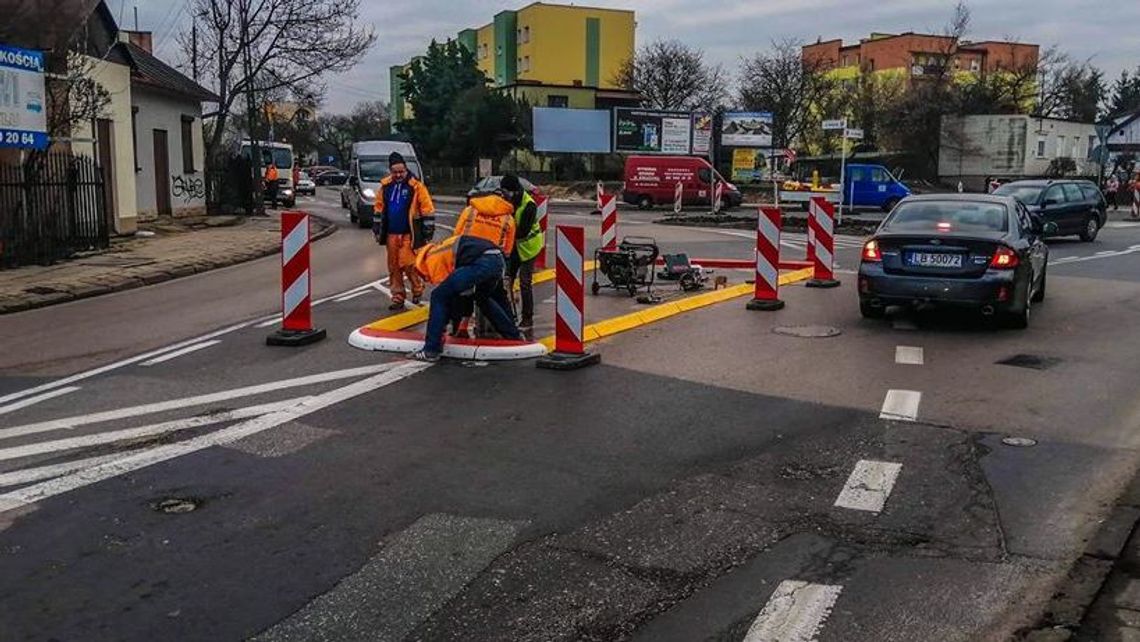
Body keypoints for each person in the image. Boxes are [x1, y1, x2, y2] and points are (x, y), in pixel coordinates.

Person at [409, 192, 521, 361]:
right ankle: (513, 337)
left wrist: (444, 323)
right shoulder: (508, 218)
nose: (425, 279)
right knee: (483, 297)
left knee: (438, 296)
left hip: (481, 261)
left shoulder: (434, 258)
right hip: (497, 259)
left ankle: (431, 350)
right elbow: (508, 247)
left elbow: (447, 293)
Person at [374, 152, 435, 310]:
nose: (399, 175)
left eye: (401, 171)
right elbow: (379, 208)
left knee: (409, 264)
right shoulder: (385, 187)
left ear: (406, 170)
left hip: (410, 233)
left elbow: (427, 208)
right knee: (394, 267)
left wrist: (428, 230)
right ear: (390, 171)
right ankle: (398, 297)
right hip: (391, 234)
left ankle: (417, 289)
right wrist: (377, 228)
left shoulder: (416, 186)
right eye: (395, 172)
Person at [501, 174, 543, 331]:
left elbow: (522, 232)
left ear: (514, 191)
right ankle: (508, 316)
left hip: (529, 247)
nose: (504, 195)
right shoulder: (508, 201)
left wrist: (503, 232)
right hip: (514, 247)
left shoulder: (529, 205)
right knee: (507, 281)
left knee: (525, 282)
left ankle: (527, 318)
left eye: (506, 192)